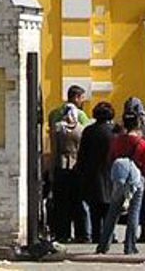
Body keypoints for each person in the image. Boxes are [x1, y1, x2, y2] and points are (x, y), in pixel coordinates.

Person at [99, 112, 145, 255]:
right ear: (138, 125)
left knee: (113, 212)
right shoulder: (142, 143)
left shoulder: (116, 141)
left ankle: (103, 245)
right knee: (134, 212)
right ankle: (130, 246)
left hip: (119, 179)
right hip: (135, 179)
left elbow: (110, 159)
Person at [76, 101, 117, 241]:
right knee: (109, 209)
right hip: (110, 174)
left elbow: (81, 154)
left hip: (92, 175)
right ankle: (109, 236)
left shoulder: (88, 131)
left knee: (94, 209)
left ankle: (96, 235)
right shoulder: (114, 131)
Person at [51, 103, 88, 242]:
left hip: (62, 165)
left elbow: (55, 150)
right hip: (77, 166)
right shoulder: (81, 129)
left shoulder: (59, 129)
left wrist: (51, 169)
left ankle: (63, 233)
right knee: (78, 202)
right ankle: (81, 233)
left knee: (62, 203)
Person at [123, 98, 145, 242]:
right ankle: (140, 231)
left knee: (129, 201)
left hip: (130, 168)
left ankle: (135, 232)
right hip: (142, 168)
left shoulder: (126, 126)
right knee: (141, 201)